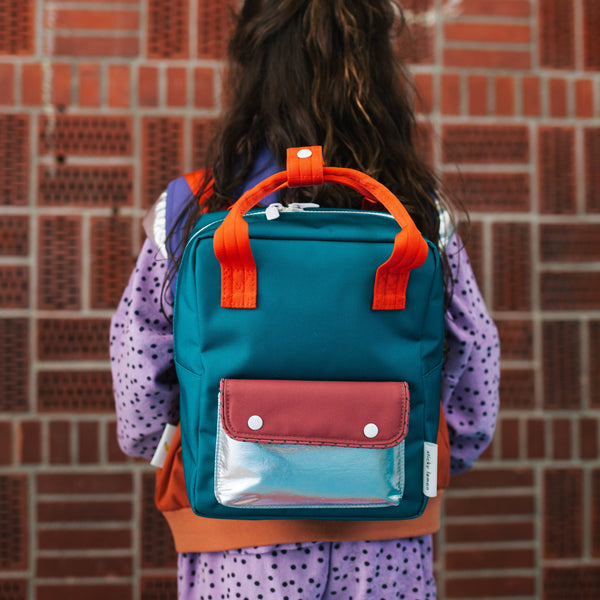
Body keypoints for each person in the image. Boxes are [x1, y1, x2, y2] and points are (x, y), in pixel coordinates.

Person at [110, 1, 500, 598]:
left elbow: (139, 380)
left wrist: (175, 443)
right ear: (377, 72)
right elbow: (474, 365)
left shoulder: (193, 210)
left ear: (253, 65)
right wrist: (436, 451)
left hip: (237, 546)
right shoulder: (416, 215)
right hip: (386, 540)